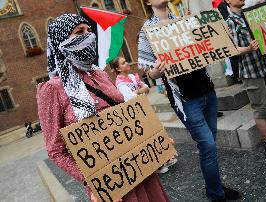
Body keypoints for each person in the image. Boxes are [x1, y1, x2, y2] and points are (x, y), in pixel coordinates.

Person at [37, 13, 170, 202]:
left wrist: (156, 140)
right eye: (79, 32)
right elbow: (56, 151)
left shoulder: (99, 74)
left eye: (89, 31)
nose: (88, 36)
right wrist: (92, 179)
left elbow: (126, 114)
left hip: (140, 165)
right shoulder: (52, 89)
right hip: (112, 182)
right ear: (61, 41)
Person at [138, 1, 241, 201]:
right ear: (148, 2)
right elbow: (149, 71)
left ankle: (214, 187)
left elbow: (207, 45)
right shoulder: (146, 30)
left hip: (207, 90)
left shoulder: (184, 19)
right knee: (208, 145)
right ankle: (216, 195)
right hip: (186, 99)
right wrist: (157, 71)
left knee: (209, 144)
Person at [225, 0, 266, 155]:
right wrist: (248, 48)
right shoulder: (230, 22)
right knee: (260, 109)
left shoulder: (250, 15)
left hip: (263, 66)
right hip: (250, 72)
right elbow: (231, 50)